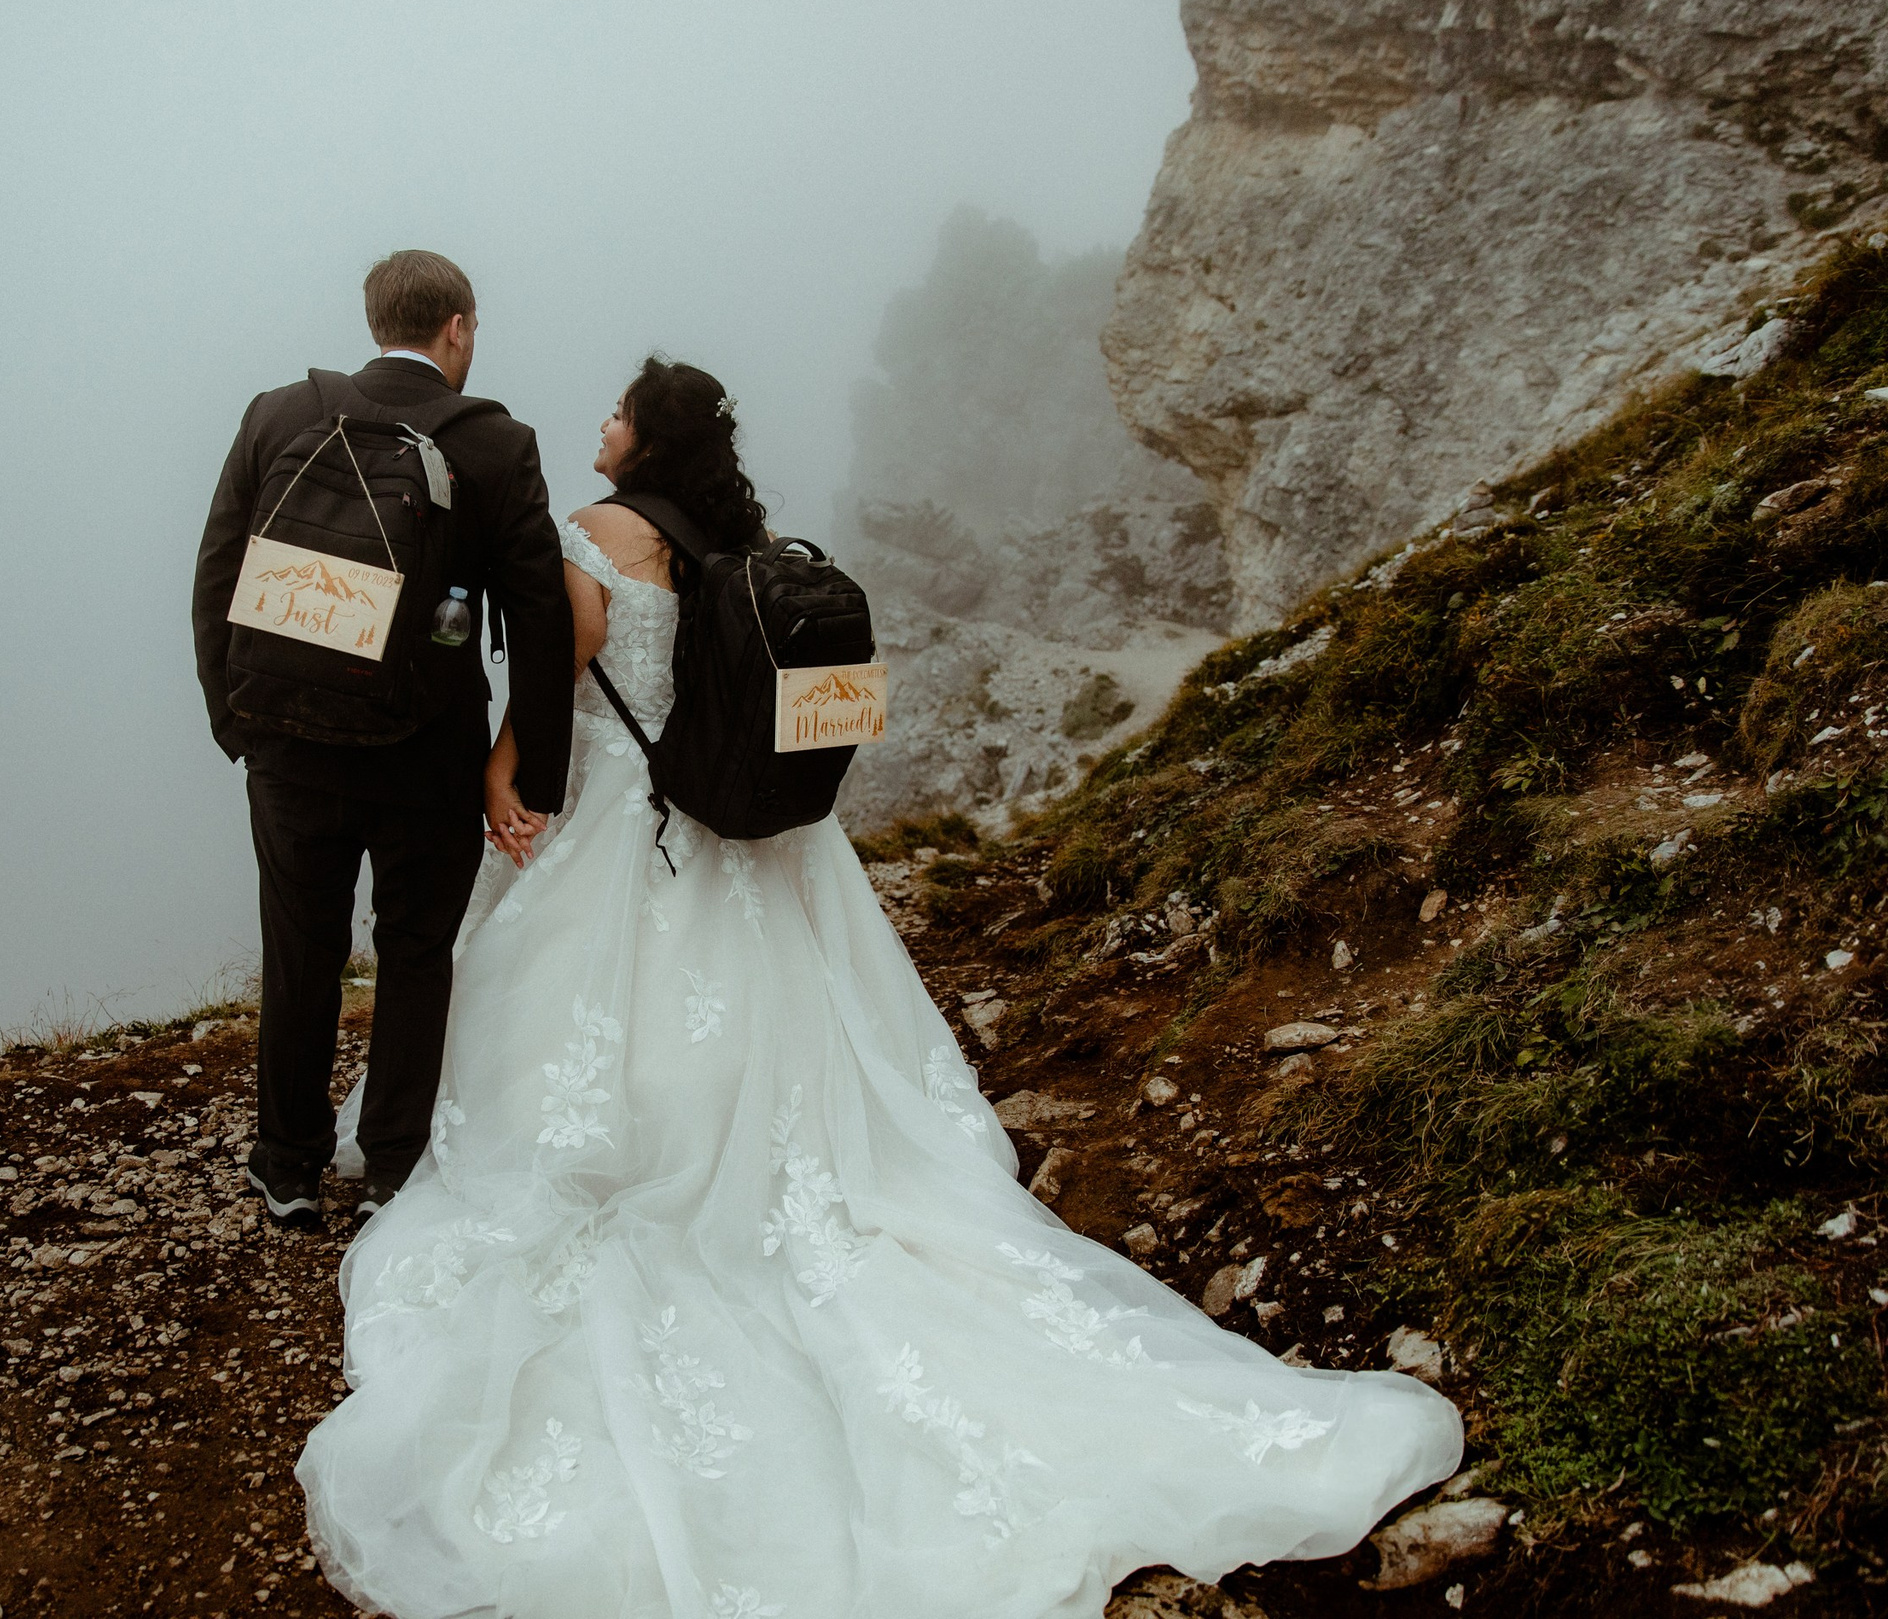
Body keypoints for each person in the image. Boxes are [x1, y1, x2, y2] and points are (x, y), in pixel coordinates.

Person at [295, 358, 1464, 1619]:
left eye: (615, 412)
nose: (598, 425)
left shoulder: (597, 533)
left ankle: (637, 1166)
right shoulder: (727, 535)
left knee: (582, 1009)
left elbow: (570, 659)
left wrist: (499, 765)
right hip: (743, 827)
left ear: (642, 438)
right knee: (773, 1012)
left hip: (627, 815)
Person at [191, 249, 573, 1229]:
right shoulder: (497, 446)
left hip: (285, 743)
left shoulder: (279, 415)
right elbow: (538, 621)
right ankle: (392, 1173)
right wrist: (538, 775)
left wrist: (235, 722)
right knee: (413, 954)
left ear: (375, 323)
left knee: (300, 952)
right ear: (457, 328)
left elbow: (219, 572)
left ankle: (285, 1167)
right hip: (427, 753)